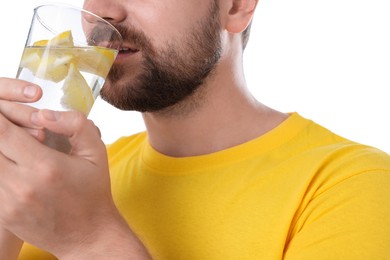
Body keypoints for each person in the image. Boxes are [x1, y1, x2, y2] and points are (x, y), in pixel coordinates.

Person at [0, 0, 389, 258]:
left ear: (235, 7)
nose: (101, 10)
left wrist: (90, 240)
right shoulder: (55, 181)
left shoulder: (353, 186)